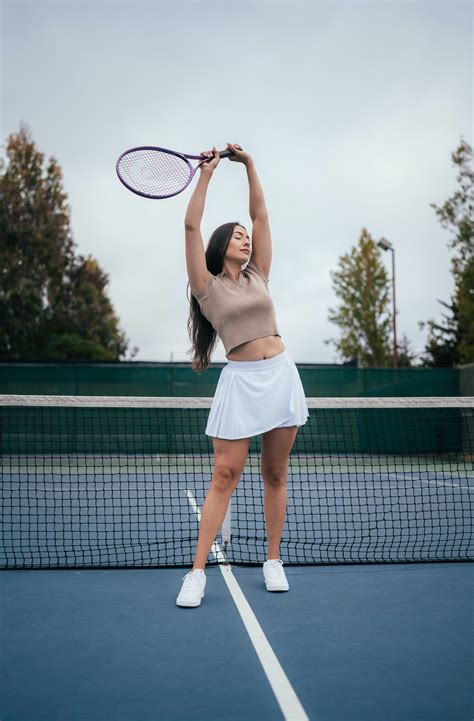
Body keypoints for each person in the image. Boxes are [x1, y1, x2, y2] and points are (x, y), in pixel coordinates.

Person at [177, 143, 309, 607]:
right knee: (225, 474)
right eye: (236, 235)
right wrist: (208, 174)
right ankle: (197, 572)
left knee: (275, 472)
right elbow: (191, 225)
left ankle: (273, 559)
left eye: (244, 235)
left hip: (281, 375)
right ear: (220, 247)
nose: (245, 239)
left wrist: (250, 165)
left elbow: (263, 218)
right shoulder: (207, 287)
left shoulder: (259, 275)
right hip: (241, 382)